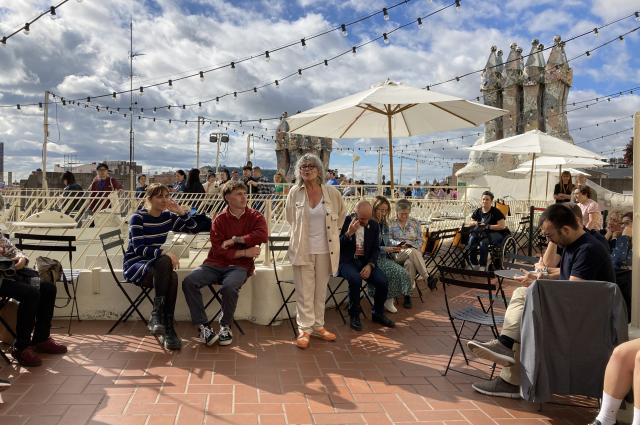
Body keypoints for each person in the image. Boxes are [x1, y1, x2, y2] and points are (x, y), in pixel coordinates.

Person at [467, 203, 615, 399]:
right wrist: (539, 277)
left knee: (527, 303)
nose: (548, 240)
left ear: (566, 229)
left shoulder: (588, 249)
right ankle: (507, 355)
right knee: (525, 302)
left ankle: (509, 367)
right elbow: (564, 275)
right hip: (579, 312)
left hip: (586, 323)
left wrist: (539, 284)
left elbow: (573, 292)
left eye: (549, 235)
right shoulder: (574, 243)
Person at [183, 181, 268, 347]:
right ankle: (203, 326)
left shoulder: (255, 216)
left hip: (239, 267)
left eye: (244, 193)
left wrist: (235, 240)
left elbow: (262, 236)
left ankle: (225, 326)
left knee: (229, 287)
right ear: (228, 197)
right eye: (239, 194)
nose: (244, 197)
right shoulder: (220, 219)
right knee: (189, 281)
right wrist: (244, 251)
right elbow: (218, 249)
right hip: (215, 264)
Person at [123, 183, 197, 350]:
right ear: (149, 199)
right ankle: (166, 326)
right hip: (135, 264)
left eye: (166, 196)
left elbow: (193, 229)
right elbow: (138, 249)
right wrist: (164, 253)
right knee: (165, 262)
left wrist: (180, 212)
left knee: (172, 275)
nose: (164, 200)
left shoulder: (167, 217)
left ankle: (161, 320)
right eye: (159, 196)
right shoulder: (138, 218)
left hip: (156, 267)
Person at [285, 154, 345, 349]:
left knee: (320, 291)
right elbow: (290, 218)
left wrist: (333, 235)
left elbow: (342, 216)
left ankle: (318, 326)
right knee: (304, 291)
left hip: (326, 250)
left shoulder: (332, 193)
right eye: (303, 166)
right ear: (299, 171)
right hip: (303, 249)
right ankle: (304, 329)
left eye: (311, 166)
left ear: (319, 170)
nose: (306, 169)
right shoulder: (294, 192)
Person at [0, 234, 67, 366]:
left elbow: (15, 250)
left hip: (10, 274)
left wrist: (21, 258)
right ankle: (21, 347)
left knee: (48, 288)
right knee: (30, 294)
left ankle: (41, 339)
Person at [339, 200, 395, 331]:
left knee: (382, 281)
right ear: (355, 213)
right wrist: (349, 234)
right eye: (362, 218)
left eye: (367, 218)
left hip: (365, 262)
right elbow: (335, 246)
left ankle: (378, 313)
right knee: (355, 279)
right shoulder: (344, 221)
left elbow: (375, 249)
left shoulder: (374, 225)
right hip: (346, 261)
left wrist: (370, 265)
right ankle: (354, 315)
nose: (365, 222)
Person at [388, 198, 436, 308]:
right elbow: (388, 240)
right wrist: (400, 244)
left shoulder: (415, 222)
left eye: (406, 213)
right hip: (397, 253)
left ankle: (407, 296)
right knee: (411, 251)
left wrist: (413, 246)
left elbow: (420, 240)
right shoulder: (390, 223)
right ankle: (427, 278)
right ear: (396, 212)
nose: (404, 216)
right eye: (402, 214)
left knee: (409, 264)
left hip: (412, 254)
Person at [372, 196, 413, 313]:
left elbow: (388, 240)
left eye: (385, 210)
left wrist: (398, 244)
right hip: (374, 258)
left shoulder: (384, 224)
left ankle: (388, 299)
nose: (383, 213)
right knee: (398, 272)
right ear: (374, 209)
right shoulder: (370, 223)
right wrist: (387, 249)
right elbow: (371, 248)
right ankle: (384, 299)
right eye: (381, 210)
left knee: (403, 271)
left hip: (385, 256)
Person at [466, 191, 509, 269]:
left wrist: (487, 226)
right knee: (471, 240)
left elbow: (502, 226)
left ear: (491, 201)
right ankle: (474, 263)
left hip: (496, 232)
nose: (484, 201)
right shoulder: (478, 211)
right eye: (483, 199)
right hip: (481, 232)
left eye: (487, 199)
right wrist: (476, 223)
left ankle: (483, 265)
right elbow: (470, 222)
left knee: (483, 242)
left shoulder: (496, 212)